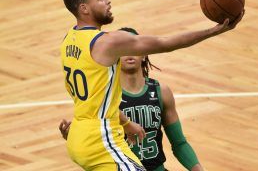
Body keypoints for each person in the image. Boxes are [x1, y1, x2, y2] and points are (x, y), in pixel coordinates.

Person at [60, 0, 243, 171]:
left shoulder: (68, 41)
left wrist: (126, 123)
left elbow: (93, 100)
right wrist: (214, 31)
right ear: (84, 9)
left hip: (79, 135)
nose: (108, 1)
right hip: (101, 140)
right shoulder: (106, 43)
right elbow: (165, 43)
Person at [60, 27, 204, 171]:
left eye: (133, 48)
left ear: (144, 54)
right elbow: (93, 138)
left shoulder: (161, 92)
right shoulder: (103, 96)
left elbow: (179, 143)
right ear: (115, 56)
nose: (129, 53)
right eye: (124, 49)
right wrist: (74, 135)